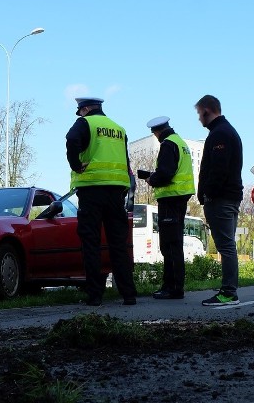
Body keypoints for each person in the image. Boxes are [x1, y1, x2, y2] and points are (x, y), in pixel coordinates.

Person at [65, 97, 137, 306]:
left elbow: (71, 140)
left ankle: (95, 296)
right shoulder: (118, 129)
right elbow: (125, 160)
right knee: (118, 244)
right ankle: (129, 294)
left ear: (85, 109)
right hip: (116, 192)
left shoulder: (86, 123)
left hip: (92, 190)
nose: (80, 115)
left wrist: (76, 165)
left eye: (80, 112)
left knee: (91, 243)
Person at [136, 116, 195, 300]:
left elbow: (167, 173)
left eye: (154, 134)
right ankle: (175, 287)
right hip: (178, 198)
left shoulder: (168, 144)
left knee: (169, 246)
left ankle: (172, 288)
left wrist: (152, 179)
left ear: (157, 131)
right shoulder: (180, 142)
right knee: (175, 244)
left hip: (170, 199)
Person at [194, 95, 243, 306]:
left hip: (221, 198)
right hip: (229, 197)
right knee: (227, 245)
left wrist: (209, 193)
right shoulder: (226, 131)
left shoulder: (220, 134)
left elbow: (218, 170)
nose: (199, 119)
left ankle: (229, 292)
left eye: (199, 114)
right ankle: (229, 290)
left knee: (226, 246)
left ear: (206, 110)